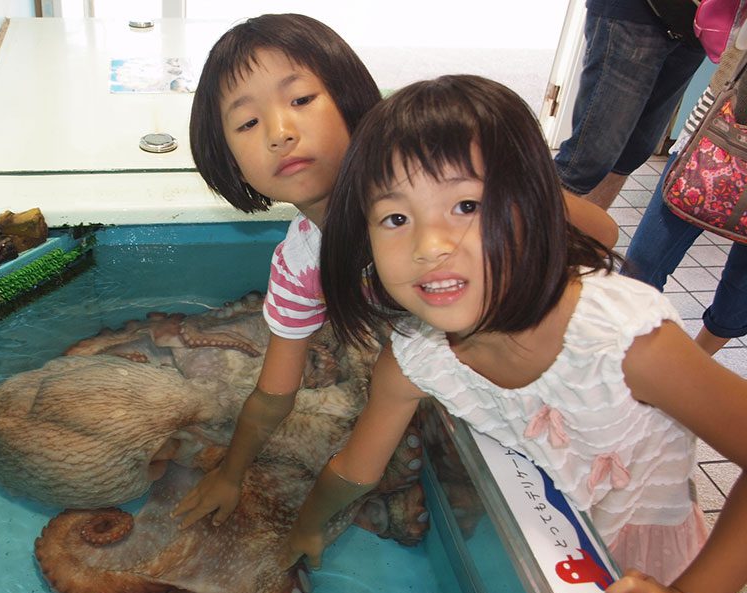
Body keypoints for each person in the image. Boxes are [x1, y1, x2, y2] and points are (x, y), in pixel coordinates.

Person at [286, 75, 747, 593]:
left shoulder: (623, 342)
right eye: (395, 216)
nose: (430, 245)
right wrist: (306, 525)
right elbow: (355, 465)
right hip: (552, 550)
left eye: (467, 206)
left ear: (534, 206)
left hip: (656, 568)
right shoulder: (417, 359)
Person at [173, 14, 620, 529]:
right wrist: (231, 474)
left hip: (578, 363)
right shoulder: (303, 265)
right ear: (227, 160)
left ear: (349, 98)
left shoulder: (440, 174)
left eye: (301, 100)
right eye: (247, 123)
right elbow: (275, 393)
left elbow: (600, 235)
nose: (280, 133)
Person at [622, 11, 747, 355]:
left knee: (740, 290)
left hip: (718, 127)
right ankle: (625, 359)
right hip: (718, 126)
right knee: (644, 264)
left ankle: (692, 365)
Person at [554, 0, 706, 210]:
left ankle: (584, 240)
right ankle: (529, 240)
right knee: (588, 158)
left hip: (699, 24)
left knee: (634, 151)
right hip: (635, 12)